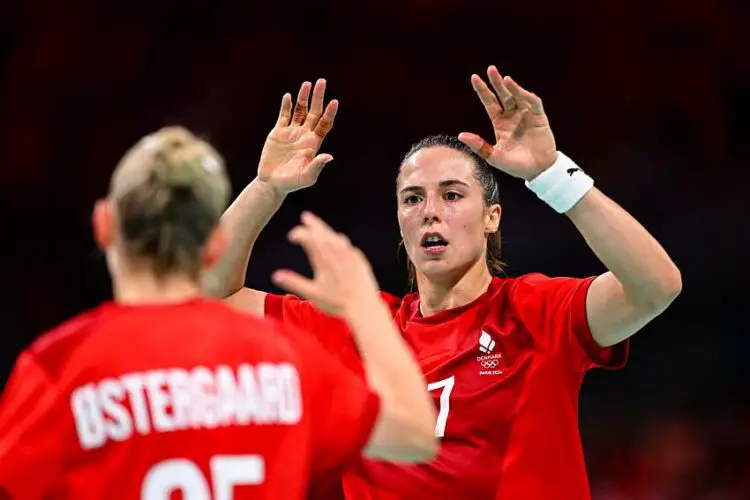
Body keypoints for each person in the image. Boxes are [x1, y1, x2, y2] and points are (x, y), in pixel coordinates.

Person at [213, 68, 683, 499]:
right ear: (400, 223)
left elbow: (656, 286)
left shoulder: (535, 311)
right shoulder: (356, 323)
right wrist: (266, 187)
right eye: (412, 198)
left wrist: (551, 174)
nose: (430, 210)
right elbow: (209, 297)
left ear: (491, 218)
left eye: (452, 195)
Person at [0, 126, 437, 499]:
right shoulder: (282, 363)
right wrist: (362, 302)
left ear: (104, 225)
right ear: (215, 244)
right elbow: (416, 435)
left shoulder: (57, 369)